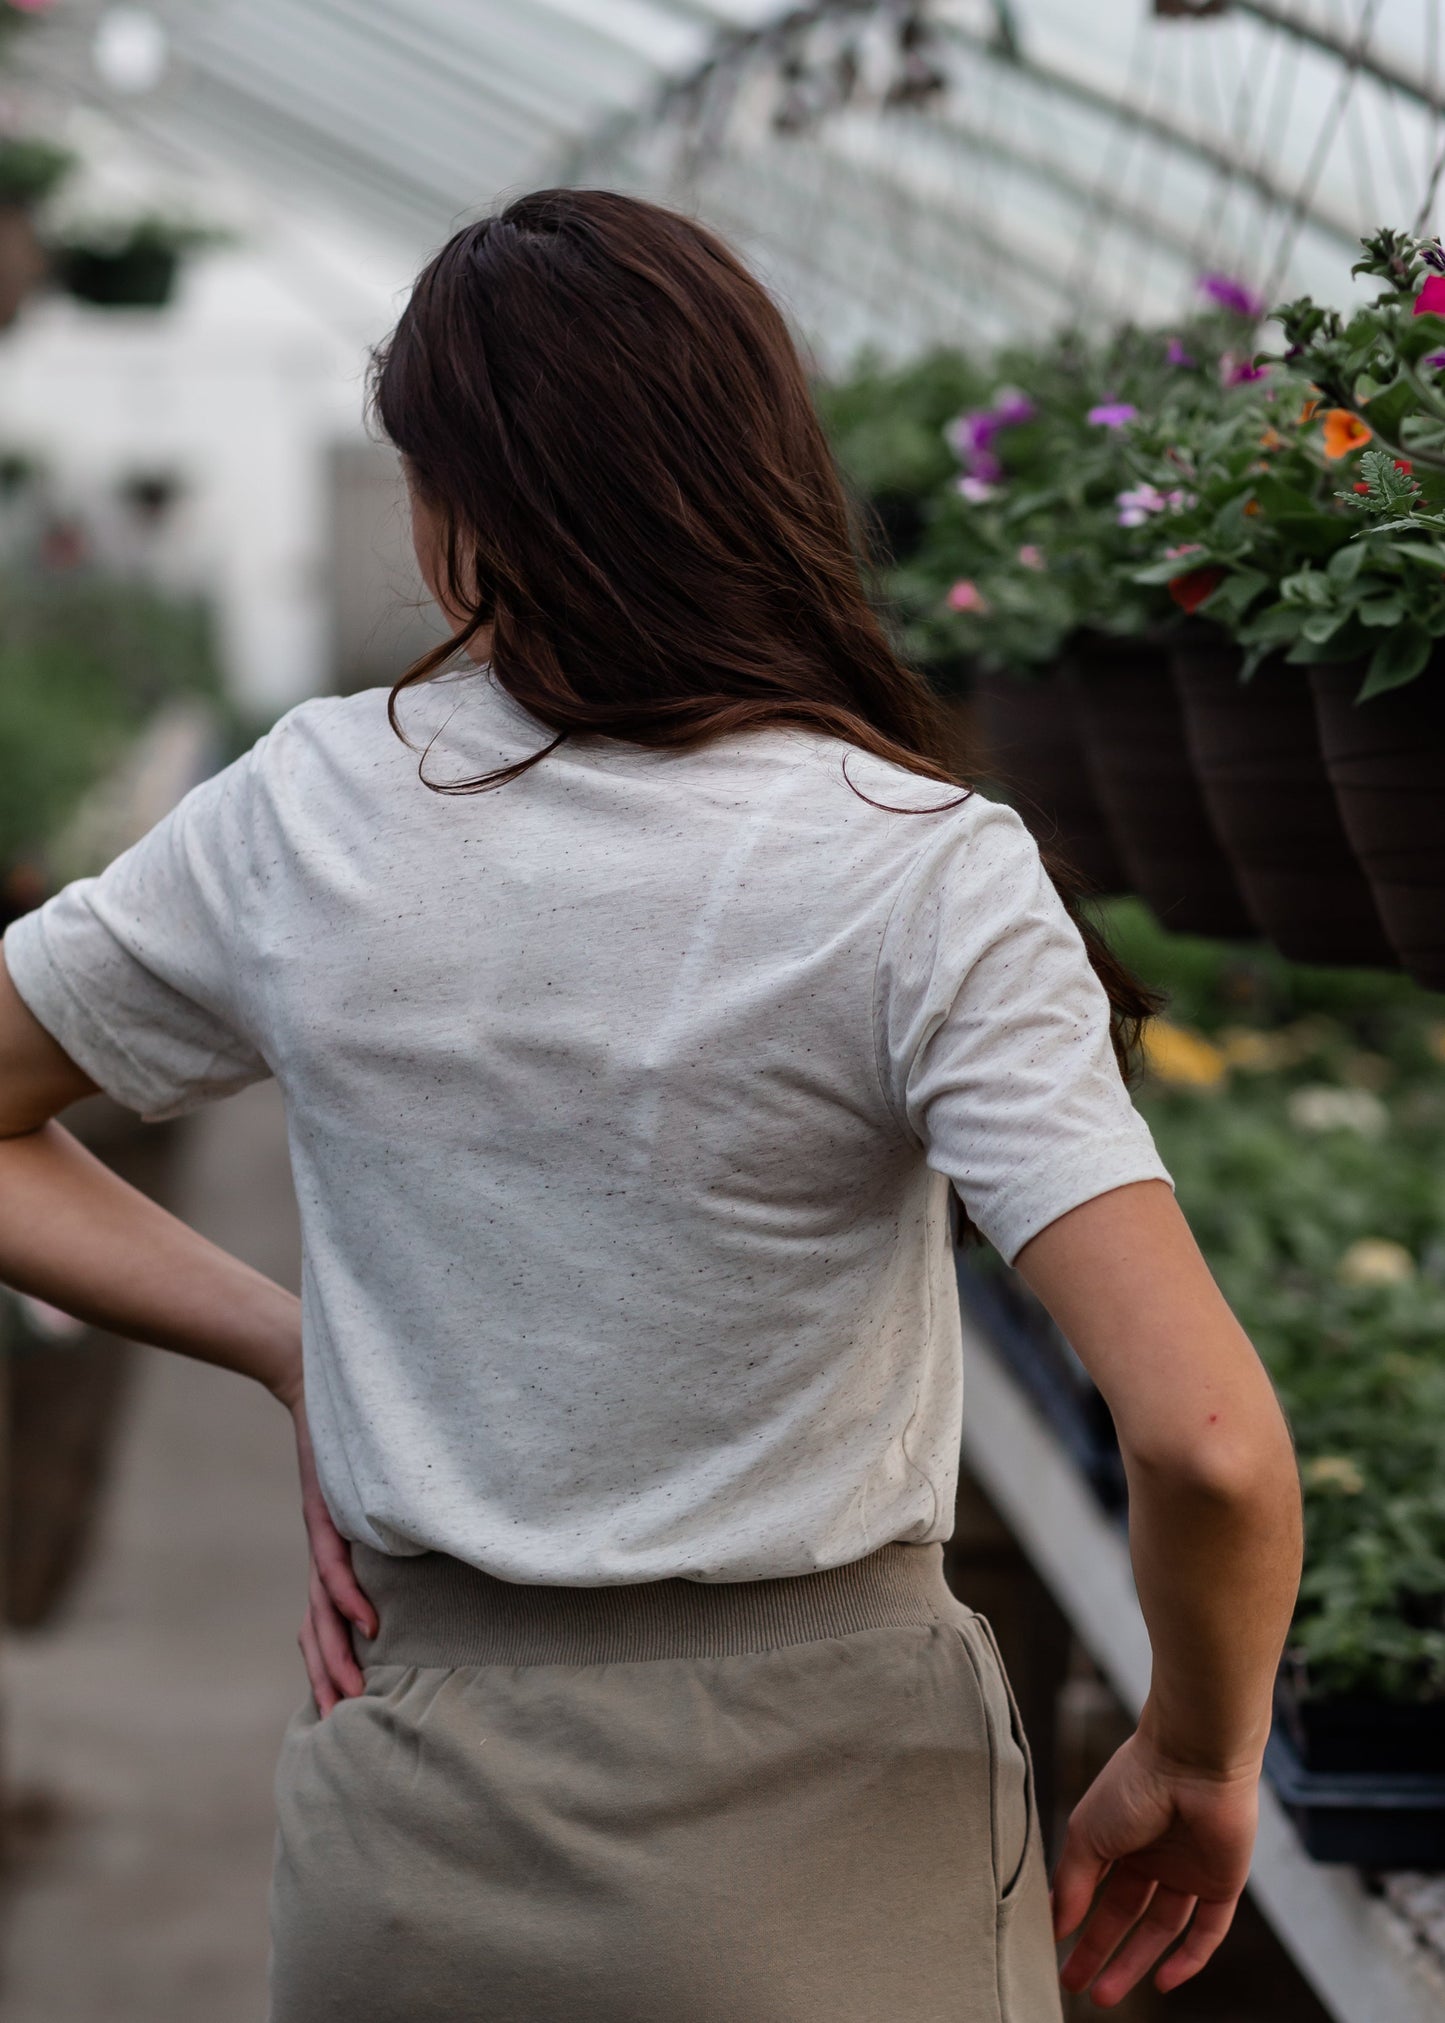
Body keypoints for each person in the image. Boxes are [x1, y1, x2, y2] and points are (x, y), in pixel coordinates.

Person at [0, 189, 1301, 2022]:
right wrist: (1198, 1750)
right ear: (761, 469)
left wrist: (297, 1350)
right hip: (837, 1827)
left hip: (418, 1808)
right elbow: (1212, 1449)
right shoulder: (922, 868)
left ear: (456, 508)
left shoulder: (309, 808)